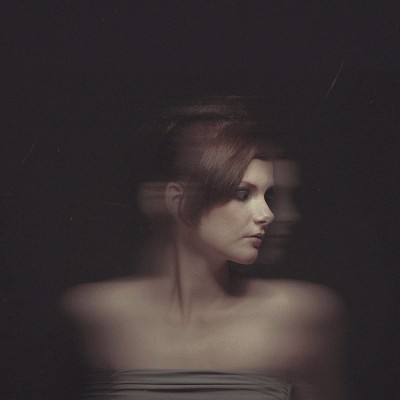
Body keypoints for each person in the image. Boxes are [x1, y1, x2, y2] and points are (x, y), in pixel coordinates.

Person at [61, 97, 345, 399]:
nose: (267, 214)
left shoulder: (298, 316)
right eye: (242, 194)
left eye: (267, 196)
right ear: (178, 200)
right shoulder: (96, 313)